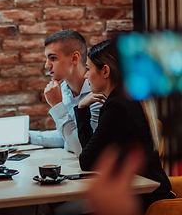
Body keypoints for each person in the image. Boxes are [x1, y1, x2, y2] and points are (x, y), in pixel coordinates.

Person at [75, 40, 175, 212]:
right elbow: (93, 151)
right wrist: (82, 110)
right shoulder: (124, 99)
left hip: (145, 198)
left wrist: (81, 110)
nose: (85, 75)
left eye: (88, 69)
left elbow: (87, 160)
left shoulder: (118, 106)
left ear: (105, 71)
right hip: (147, 191)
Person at [29, 30, 102, 156]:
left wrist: (57, 106)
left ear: (75, 58)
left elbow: (84, 149)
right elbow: (67, 137)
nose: (47, 65)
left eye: (53, 58)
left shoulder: (97, 92)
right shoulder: (64, 89)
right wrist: (28, 136)